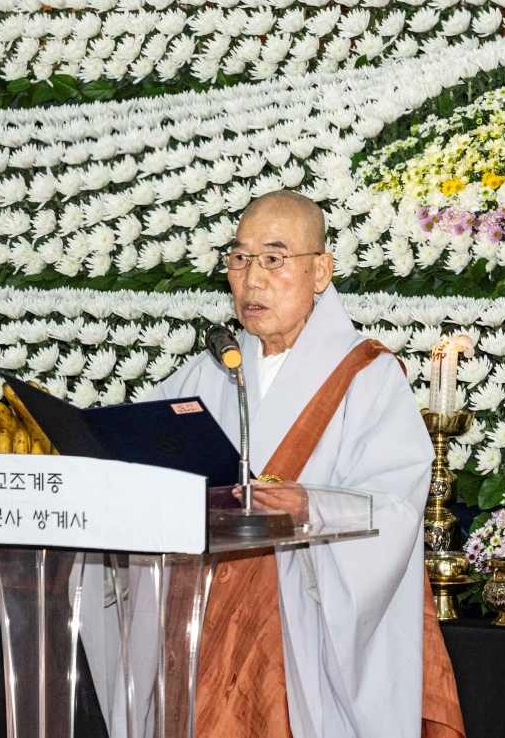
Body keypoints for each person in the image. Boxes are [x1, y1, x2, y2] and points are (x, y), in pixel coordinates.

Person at [86, 190, 464, 738]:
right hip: (204, 623)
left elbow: (397, 507)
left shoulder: (366, 375)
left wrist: (312, 505)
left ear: (320, 271)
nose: (252, 279)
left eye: (273, 258)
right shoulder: (207, 374)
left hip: (299, 629)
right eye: (240, 259)